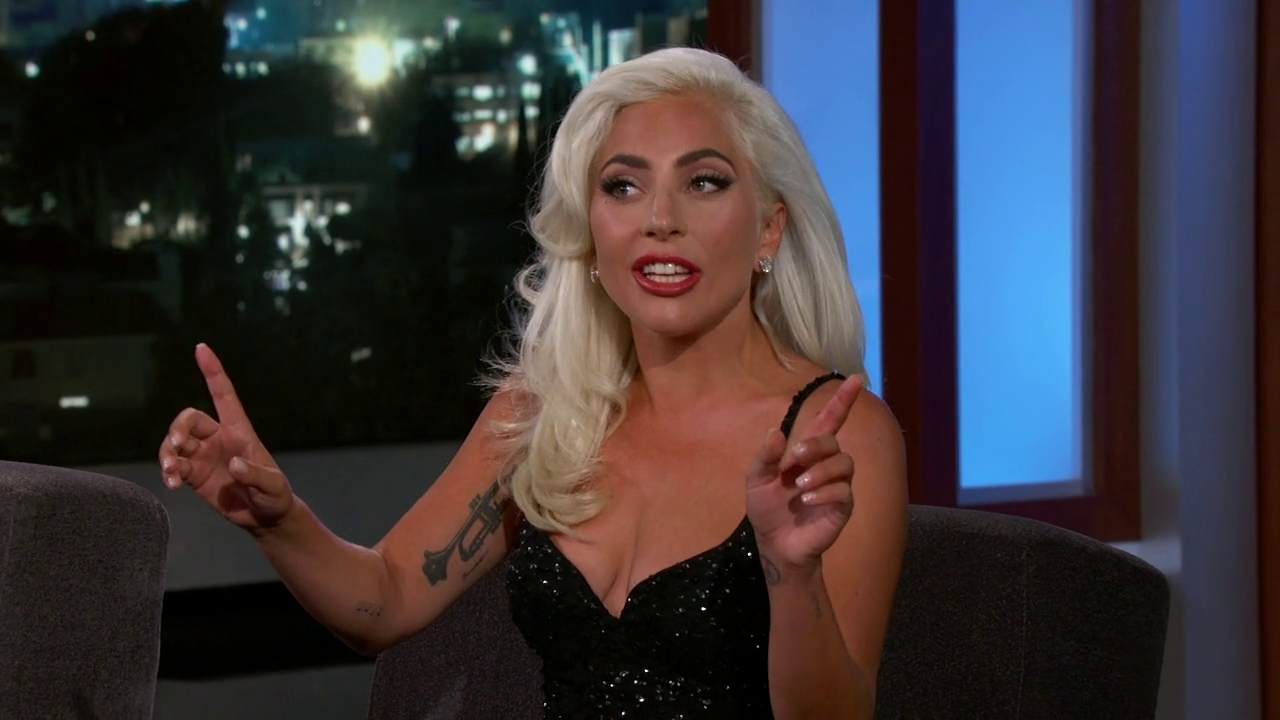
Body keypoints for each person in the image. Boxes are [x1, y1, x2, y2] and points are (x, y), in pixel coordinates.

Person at [158, 46, 908, 718]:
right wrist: (277, 522)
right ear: (591, 232)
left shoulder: (836, 434)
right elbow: (385, 598)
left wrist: (791, 575)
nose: (659, 219)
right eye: (623, 187)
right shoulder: (546, 410)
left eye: (704, 182)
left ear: (769, 227)